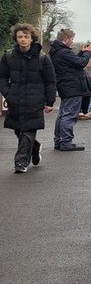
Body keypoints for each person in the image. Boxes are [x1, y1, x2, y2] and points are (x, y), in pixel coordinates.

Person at [0, 23, 57, 173]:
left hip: (35, 101)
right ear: (16, 38)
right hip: (15, 100)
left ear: (32, 38)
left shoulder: (43, 58)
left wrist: (49, 102)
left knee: (27, 130)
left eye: (26, 37)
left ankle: (20, 162)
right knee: (18, 130)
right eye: (20, 37)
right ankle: (35, 147)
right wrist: (8, 93)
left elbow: (50, 81)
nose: (23, 39)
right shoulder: (8, 56)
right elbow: (2, 77)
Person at [49, 28, 91, 151]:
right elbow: (80, 63)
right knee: (69, 115)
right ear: (66, 38)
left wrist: (81, 52)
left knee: (63, 114)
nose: (72, 42)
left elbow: (73, 62)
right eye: (72, 39)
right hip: (72, 87)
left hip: (65, 86)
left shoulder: (57, 51)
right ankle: (66, 142)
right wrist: (88, 53)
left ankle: (59, 140)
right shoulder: (64, 52)